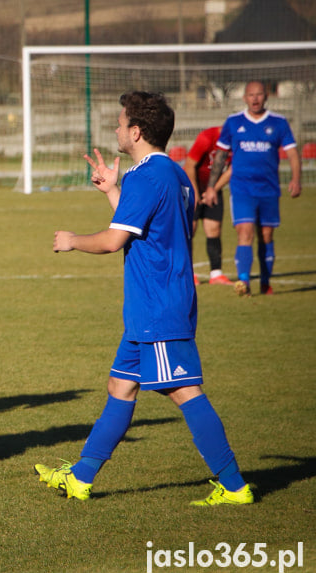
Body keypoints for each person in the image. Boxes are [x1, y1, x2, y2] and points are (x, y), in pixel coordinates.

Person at [36, 91, 253, 506]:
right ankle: (81, 478)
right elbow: (144, 228)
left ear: (135, 132)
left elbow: (115, 239)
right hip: (152, 308)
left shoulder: (146, 177)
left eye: (120, 123)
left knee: (184, 391)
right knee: (120, 386)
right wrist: (112, 191)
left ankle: (234, 485)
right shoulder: (173, 175)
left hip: (158, 306)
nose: (116, 129)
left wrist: (72, 240)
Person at [205, 80, 302, 296]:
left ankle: (265, 283)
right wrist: (212, 187)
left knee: (266, 235)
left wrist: (296, 178)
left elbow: (293, 153)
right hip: (242, 190)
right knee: (245, 231)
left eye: (259, 94)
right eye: (251, 95)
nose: (255, 99)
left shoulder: (278, 123)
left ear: (266, 96)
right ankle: (244, 282)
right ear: (245, 98)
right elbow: (220, 156)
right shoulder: (233, 122)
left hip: (268, 189)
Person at [183, 126, 233, 286]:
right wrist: (195, 192)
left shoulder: (238, 140)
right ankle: (187, 273)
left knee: (214, 229)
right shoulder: (207, 137)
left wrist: (214, 189)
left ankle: (216, 274)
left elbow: (232, 169)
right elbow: (190, 165)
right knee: (189, 229)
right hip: (191, 186)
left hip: (213, 188)